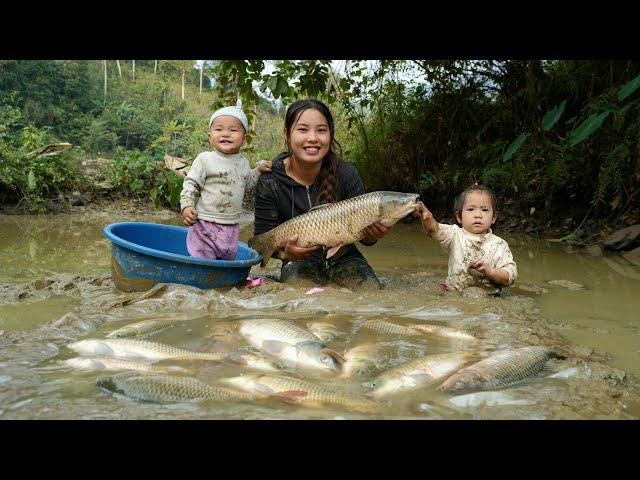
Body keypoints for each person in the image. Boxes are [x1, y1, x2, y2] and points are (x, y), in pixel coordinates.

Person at [253, 98, 390, 290]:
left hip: (345, 257)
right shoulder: (270, 181)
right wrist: (286, 255)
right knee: (307, 304)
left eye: (321, 130)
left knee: (371, 294)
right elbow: (261, 245)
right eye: (302, 129)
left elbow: (367, 240)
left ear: (330, 135)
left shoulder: (347, 174)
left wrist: (373, 235)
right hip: (299, 262)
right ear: (287, 134)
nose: (313, 138)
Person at [180, 100, 272, 260]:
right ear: (210, 136)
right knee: (202, 260)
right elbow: (191, 184)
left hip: (231, 226)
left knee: (226, 260)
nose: (225, 134)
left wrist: (258, 170)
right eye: (218, 129)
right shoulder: (205, 159)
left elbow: (247, 184)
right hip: (204, 223)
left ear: (244, 139)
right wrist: (187, 206)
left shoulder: (242, 162)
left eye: (233, 130)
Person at [414, 183, 517, 294]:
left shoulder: (499, 245)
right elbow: (434, 230)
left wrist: (490, 271)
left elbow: (509, 276)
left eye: (485, 210)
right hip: (454, 295)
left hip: (488, 298)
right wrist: (427, 216)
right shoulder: (454, 235)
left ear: (494, 218)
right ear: (459, 217)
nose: (478, 215)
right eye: (471, 209)